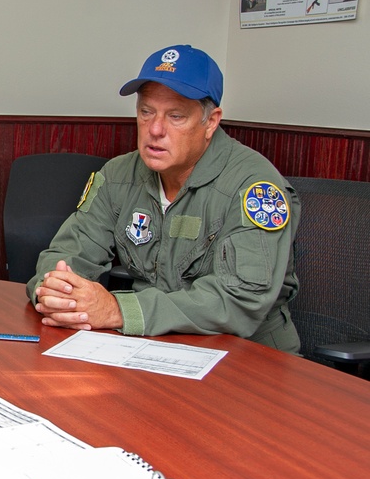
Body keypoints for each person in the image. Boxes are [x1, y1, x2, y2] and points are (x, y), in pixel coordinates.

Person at [28, 45, 301, 353]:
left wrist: (119, 310)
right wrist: (57, 292)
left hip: (247, 357)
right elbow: (68, 252)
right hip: (152, 347)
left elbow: (238, 302)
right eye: (146, 112)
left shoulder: (254, 187)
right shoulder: (118, 175)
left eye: (176, 116)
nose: (155, 130)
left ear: (210, 122)